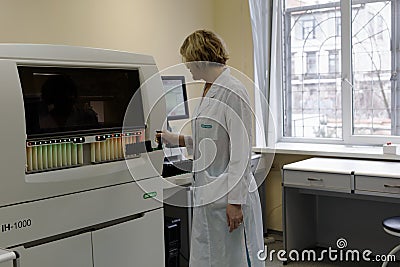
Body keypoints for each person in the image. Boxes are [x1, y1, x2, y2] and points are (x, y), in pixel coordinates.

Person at [157, 30, 264, 267]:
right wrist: (174, 138)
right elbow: (212, 140)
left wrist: (235, 202)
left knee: (232, 258)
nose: (188, 69)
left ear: (200, 58)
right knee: (209, 257)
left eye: (189, 62)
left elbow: (240, 151)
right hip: (208, 194)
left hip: (227, 196)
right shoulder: (208, 89)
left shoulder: (232, 91)